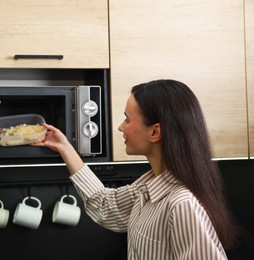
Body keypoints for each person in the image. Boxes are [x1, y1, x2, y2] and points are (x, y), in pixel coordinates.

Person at [32, 79, 237, 259]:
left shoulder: (181, 205)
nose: (121, 127)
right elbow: (104, 205)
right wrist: (64, 147)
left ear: (155, 132)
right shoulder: (148, 187)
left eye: (128, 119)